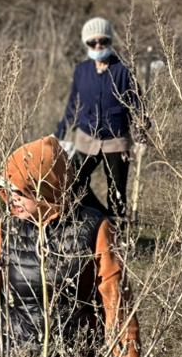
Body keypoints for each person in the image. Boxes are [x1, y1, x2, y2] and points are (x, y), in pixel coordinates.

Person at [0, 136, 141, 357]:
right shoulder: (6, 231)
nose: (12, 199)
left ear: (45, 189)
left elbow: (117, 309)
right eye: (9, 190)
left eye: (20, 191)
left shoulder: (94, 229)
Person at [55, 17, 143, 221]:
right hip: (86, 138)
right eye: (92, 43)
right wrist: (60, 134)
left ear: (110, 42)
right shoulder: (82, 71)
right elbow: (72, 106)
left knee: (117, 192)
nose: (98, 46)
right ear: (86, 44)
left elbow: (138, 105)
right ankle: (97, 218)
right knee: (73, 182)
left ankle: (117, 232)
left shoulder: (124, 71)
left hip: (116, 140)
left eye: (103, 42)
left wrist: (141, 135)